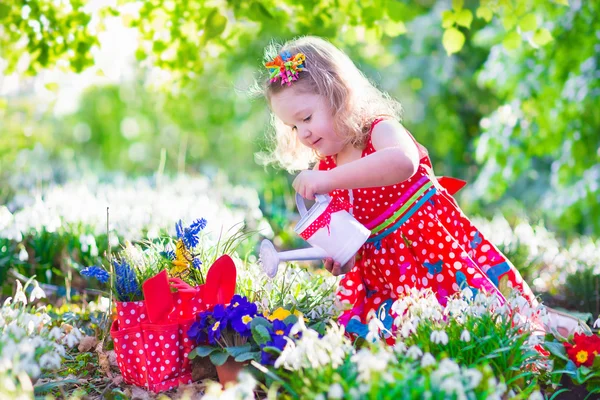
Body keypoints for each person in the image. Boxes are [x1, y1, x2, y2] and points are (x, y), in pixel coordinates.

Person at [255, 36, 539, 338]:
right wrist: (343, 256)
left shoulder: (378, 130)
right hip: (387, 280)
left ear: (339, 94)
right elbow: (348, 232)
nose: (304, 133)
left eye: (307, 118)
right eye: (294, 127)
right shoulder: (325, 168)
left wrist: (327, 180)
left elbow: (404, 162)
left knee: (476, 324)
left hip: (434, 258)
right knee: (407, 344)